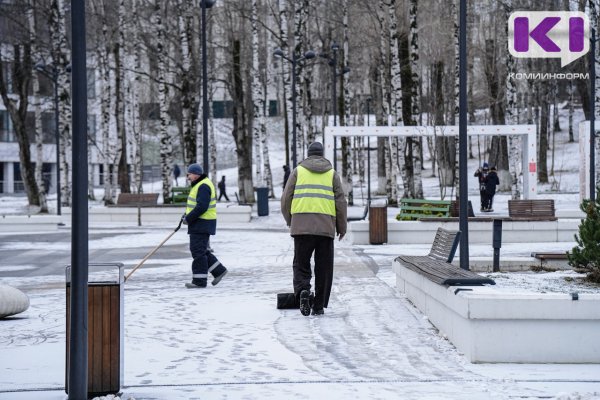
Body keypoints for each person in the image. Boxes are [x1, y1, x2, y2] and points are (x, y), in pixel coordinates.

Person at [281, 142, 347, 316]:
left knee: (301, 264)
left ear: (308, 154)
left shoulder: (298, 171)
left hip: (301, 227)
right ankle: (318, 305)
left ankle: (303, 290)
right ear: (322, 154)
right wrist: (342, 226)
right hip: (325, 228)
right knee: (324, 267)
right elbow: (340, 201)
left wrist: (291, 220)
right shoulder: (332, 174)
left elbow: (286, 198)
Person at [182, 163, 228, 288]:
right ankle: (219, 270)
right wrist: (185, 216)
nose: (188, 177)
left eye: (189, 174)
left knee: (198, 252)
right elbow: (194, 205)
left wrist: (189, 218)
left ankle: (199, 282)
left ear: (196, 174)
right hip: (201, 223)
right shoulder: (200, 184)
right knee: (201, 250)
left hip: (202, 223)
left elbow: (202, 206)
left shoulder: (203, 186)